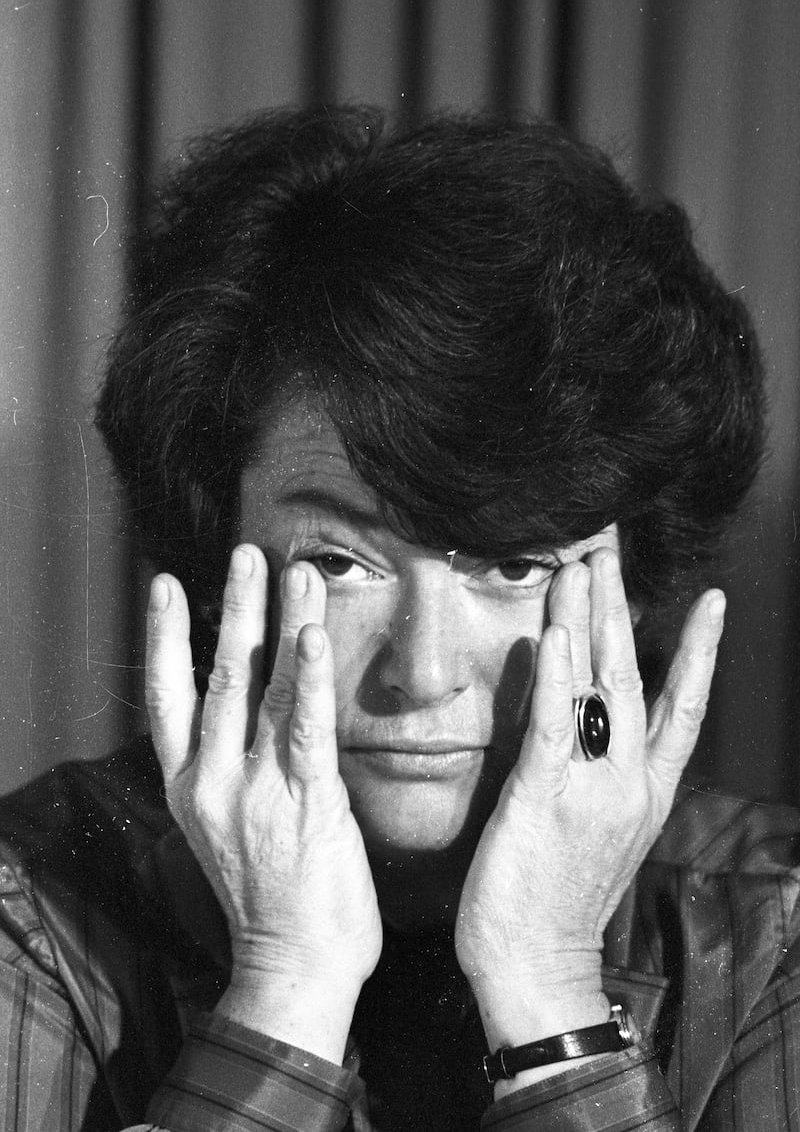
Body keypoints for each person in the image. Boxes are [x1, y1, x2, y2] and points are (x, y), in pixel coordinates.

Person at [0, 105, 797, 1132]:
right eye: (339, 560)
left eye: (513, 561)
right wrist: (281, 995)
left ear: (633, 575)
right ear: (215, 558)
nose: (422, 672)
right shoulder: (33, 906)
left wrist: (549, 991)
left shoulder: (771, 928)